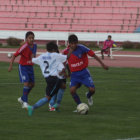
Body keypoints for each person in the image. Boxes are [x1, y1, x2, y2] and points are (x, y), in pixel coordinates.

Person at [64, 34, 109, 109]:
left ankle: (88, 95)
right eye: (71, 44)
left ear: (77, 43)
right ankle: (80, 105)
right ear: (69, 43)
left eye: (75, 43)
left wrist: (102, 64)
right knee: (72, 91)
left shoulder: (82, 48)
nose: (73, 45)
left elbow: (93, 55)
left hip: (84, 73)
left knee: (92, 90)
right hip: (74, 75)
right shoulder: (66, 51)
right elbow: (63, 60)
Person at [27, 42, 67, 116]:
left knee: (62, 86)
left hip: (48, 79)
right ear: (54, 49)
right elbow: (67, 57)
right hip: (54, 78)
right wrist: (70, 48)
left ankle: (55, 105)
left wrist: (32, 54)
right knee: (49, 97)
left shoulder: (42, 56)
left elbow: (32, 60)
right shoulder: (55, 55)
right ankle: (33, 107)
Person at [8, 31, 37, 108]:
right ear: (26, 39)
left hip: (30, 67)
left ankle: (22, 98)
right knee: (26, 83)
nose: (31, 39)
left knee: (32, 84)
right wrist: (11, 66)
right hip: (23, 67)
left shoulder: (35, 46)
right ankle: (25, 103)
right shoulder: (24, 47)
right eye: (29, 38)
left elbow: (33, 56)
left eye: (32, 38)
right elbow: (14, 55)